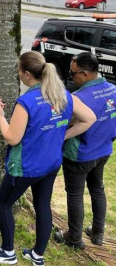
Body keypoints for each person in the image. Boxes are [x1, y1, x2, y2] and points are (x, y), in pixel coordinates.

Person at [0, 51, 96, 266]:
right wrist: (62, 134)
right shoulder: (62, 93)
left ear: (27, 74)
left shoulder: (26, 102)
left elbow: (12, 138)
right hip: (51, 163)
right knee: (42, 205)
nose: (18, 74)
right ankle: (37, 255)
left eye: (18, 71)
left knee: (2, 203)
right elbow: (89, 118)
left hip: (26, 167)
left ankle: (7, 252)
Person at [54, 52, 116, 248]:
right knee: (97, 189)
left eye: (73, 74)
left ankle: (74, 238)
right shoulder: (114, 90)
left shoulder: (78, 98)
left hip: (80, 155)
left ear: (86, 73)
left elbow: (67, 124)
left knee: (75, 194)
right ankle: (97, 233)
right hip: (104, 151)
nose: (71, 77)